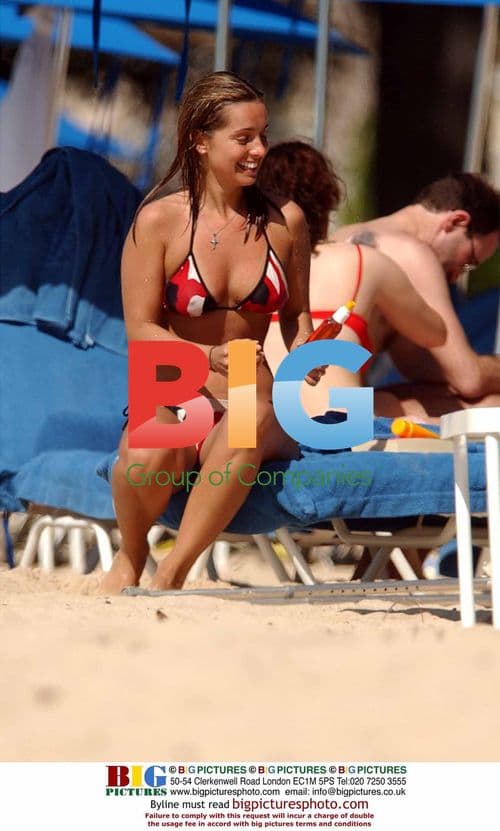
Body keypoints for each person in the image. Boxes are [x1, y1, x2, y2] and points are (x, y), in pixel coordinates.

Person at [101, 73, 318, 594]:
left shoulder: (285, 222)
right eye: (243, 138)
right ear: (200, 140)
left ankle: (171, 576)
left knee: (247, 421)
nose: (260, 150)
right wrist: (207, 354)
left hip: (252, 391)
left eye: (262, 135)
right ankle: (131, 556)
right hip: (179, 387)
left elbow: (296, 316)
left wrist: (307, 346)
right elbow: (140, 329)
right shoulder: (157, 222)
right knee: (143, 457)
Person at [258, 141, 446, 416]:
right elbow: (435, 333)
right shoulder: (361, 260)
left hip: (251, 424)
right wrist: (384, 327)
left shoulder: (244, 265)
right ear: (327, 199)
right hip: (334, 424)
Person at [333, 172, 500, 420]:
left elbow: (414, 364)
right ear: (456, 221)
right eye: (468, 262)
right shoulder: (413, 254)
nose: (456, 277)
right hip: (335, 412)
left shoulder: (341, 235)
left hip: (291, 399)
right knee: (491, 408)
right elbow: (470, 379)